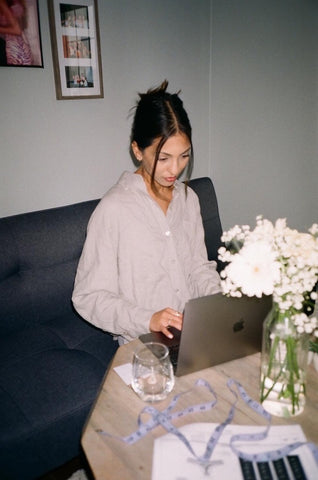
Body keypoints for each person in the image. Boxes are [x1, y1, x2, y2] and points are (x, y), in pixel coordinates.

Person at [72, 80, 221, 344]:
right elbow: (88, 296)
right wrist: (147, 318)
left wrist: (218, 303)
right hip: (145, 344)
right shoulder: (113, 210)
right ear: (137, 151)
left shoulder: (189, 200)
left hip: (195, 333)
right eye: (163, 158)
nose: (175, 169)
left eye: (184, 156)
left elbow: (199, 267)